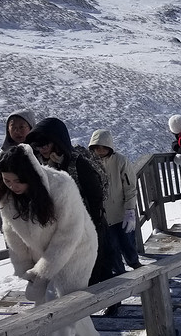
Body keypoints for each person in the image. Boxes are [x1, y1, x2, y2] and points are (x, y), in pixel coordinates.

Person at [0, 144, 101, 336]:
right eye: (6, 181)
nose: (12, 187)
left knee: (58, 303)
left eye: (18, 181)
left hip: (78, 248)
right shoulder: (8, 197)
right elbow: (13, 235)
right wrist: (27, 271)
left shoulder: (62, 185)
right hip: (45, 252)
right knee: (64, 301)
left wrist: (43, 271)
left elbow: (68, 235)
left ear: (33, 176)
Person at [24, 117, 115, 285]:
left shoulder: (78, 163)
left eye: (46, 143)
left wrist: (93, 225)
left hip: (89, 224)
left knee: (96, 266)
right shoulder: (42, 166)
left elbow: (96, 196)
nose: (42, 148)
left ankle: (109, 301)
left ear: (57, 141)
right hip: (63, 226)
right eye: (38, 145)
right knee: (73, 269)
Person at [88, 129, 140, 272]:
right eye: (97, 147)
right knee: (111, 247)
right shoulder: (88, 163)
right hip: (103, 217)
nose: (100, 150)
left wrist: (130, 210)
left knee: (128, 243)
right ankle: (120, 273)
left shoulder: (120, 161)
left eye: (104, 147)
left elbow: (130, 187)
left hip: (121, 212)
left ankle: (135, 264)